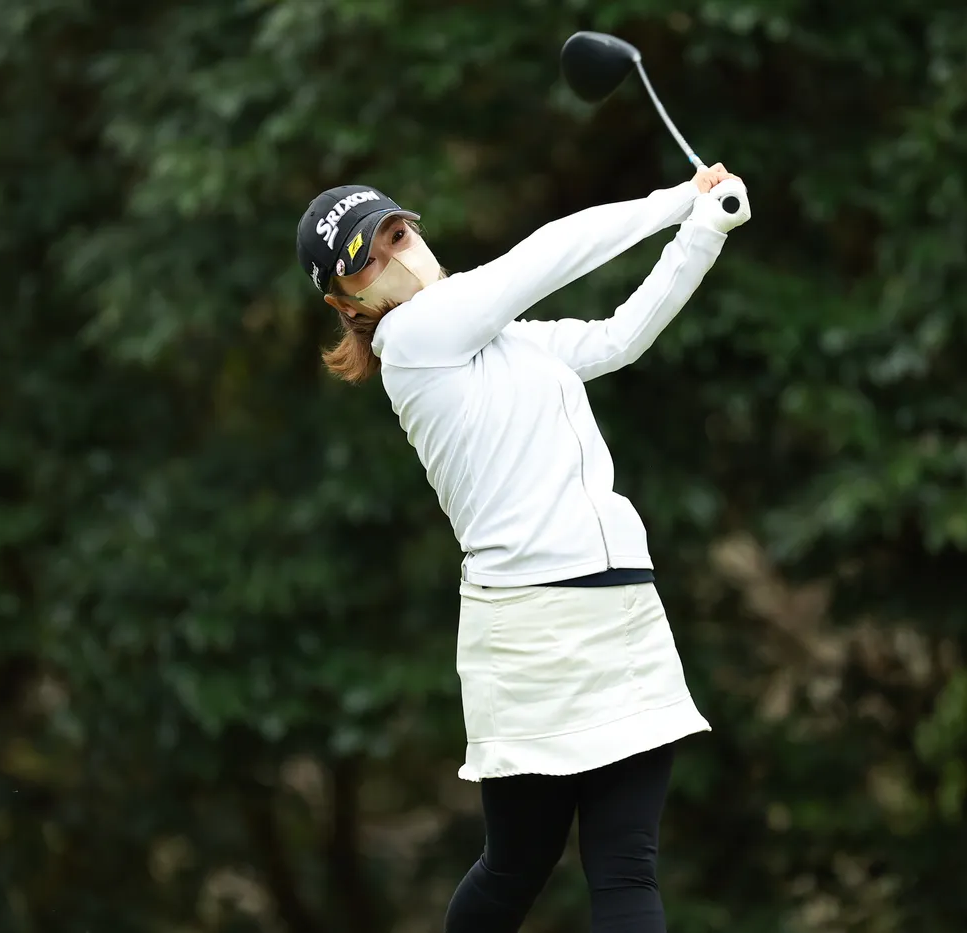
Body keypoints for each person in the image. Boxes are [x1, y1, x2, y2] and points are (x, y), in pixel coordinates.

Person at [296, 163, 751, 933]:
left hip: (622, 608)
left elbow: (617, 339)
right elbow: (546, 256)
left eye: (398, 232)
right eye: (370, 257)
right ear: (347, 303)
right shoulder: (414, 341)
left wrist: (702, 233)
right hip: (529, 629)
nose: (398, 252)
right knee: (517, 865)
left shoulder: (509, 343)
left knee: (627, 864)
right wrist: (678, 199)